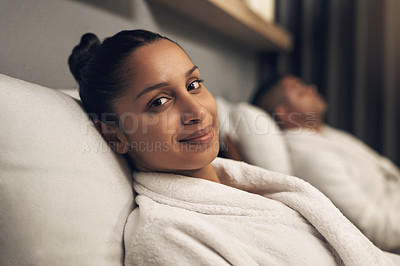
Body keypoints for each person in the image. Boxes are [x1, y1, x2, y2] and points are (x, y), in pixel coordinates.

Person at [68, 30, 400, 265]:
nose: (197, 111)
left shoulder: (258, 189)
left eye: (194, 84)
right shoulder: (167, 237)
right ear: (115, 135)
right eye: (159, 101)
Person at [252, 74, 400, 253]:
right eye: (300, 92)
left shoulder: (327, 134)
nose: (312, 89)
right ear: (284, 112)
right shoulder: (311, 158)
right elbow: (373, 229)